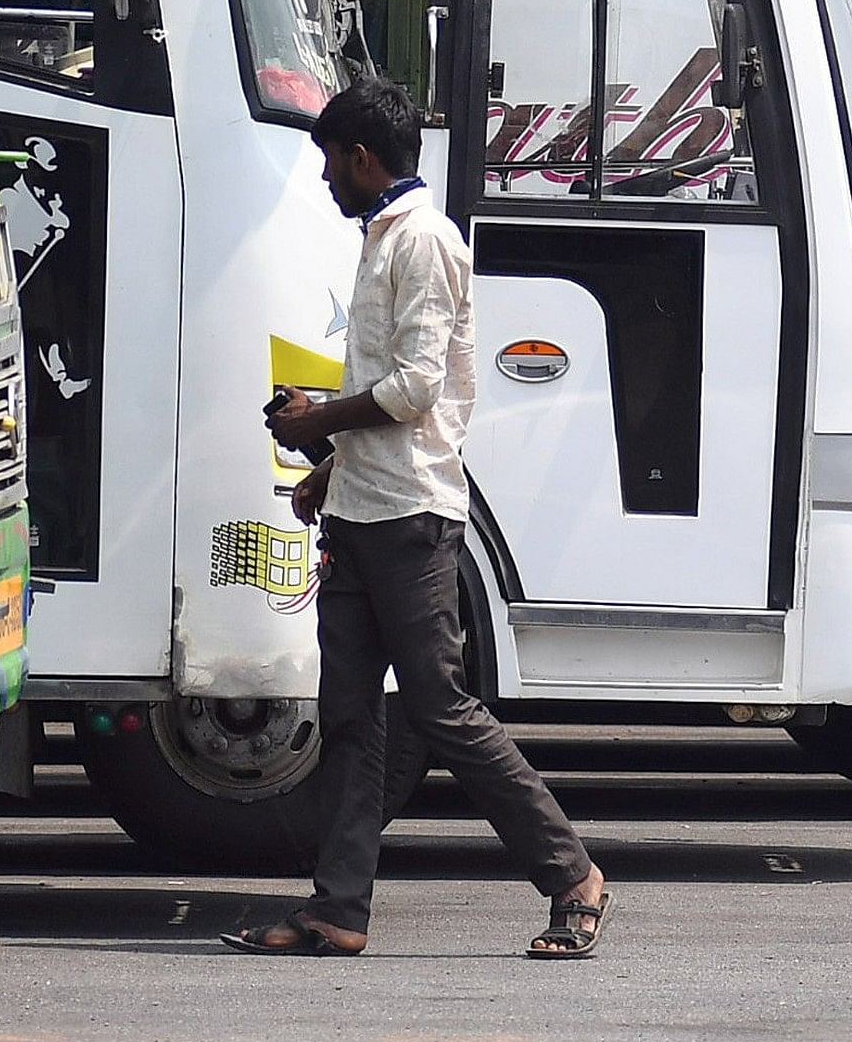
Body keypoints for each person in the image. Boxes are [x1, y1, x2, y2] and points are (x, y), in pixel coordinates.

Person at [225, 76, 608, 961]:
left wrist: (316, 421)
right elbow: (391, 393)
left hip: (411, 519)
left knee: (441, 709)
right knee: (351, 718)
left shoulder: (423, 241)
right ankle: (337, 908)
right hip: (363, 510)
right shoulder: (384, 237)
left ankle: (572, 875)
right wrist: (329, 468)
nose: (324, 179)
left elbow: (414, 391)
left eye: (329, 161)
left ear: (362, 158)